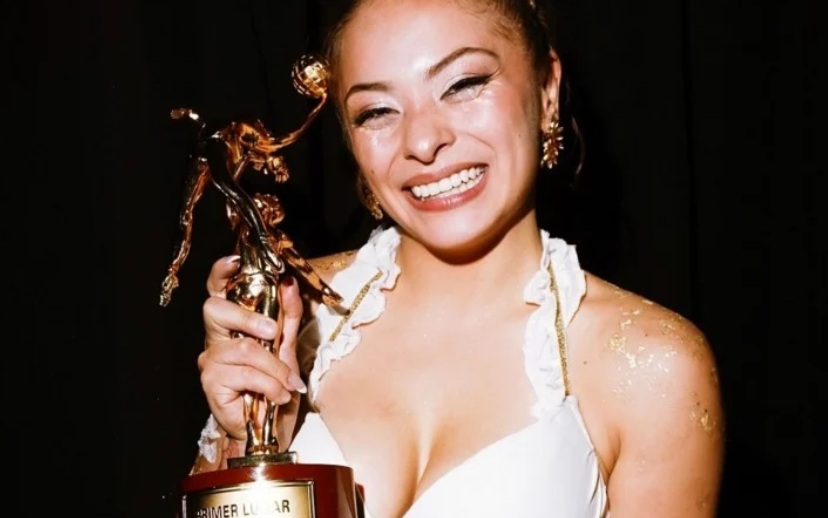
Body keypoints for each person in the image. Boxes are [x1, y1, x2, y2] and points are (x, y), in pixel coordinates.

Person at [188, 0, 725, 516]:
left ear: (547, 90)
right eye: (377, 111)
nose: (422, 141)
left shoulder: (651, 369)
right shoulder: (292, 312)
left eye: (463, 85)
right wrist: (248, 441)